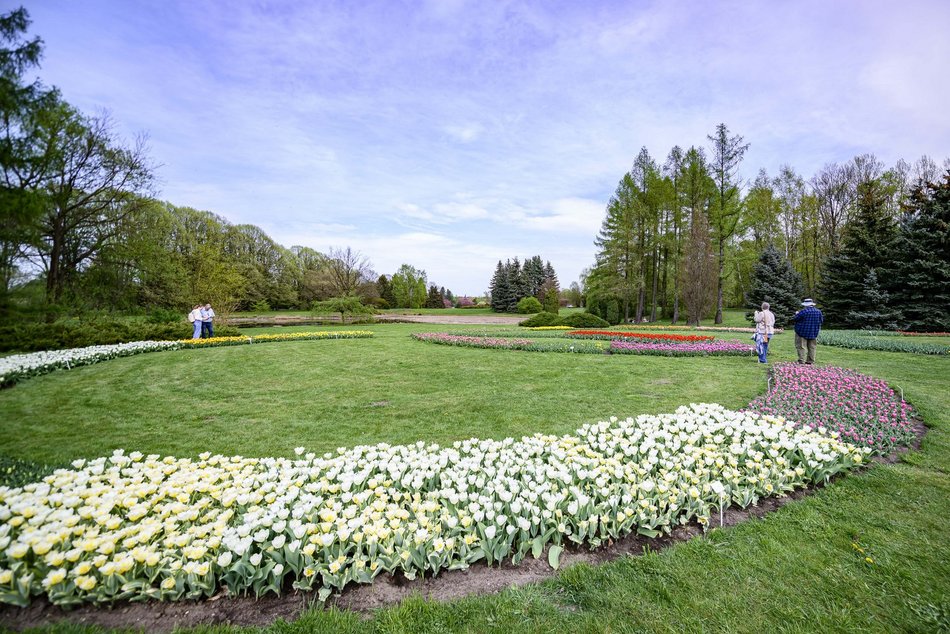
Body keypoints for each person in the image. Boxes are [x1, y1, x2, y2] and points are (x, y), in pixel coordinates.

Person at [792, 298, 823, 364]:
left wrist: (797, 314)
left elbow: (795, 319)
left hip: (802, 332)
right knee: (812, 347)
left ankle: (801, 360)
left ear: (805, 305)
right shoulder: (818, 312)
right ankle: (810, 361)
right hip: (813, 332)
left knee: (801, 346)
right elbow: (821, 321)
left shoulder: (803, 311)